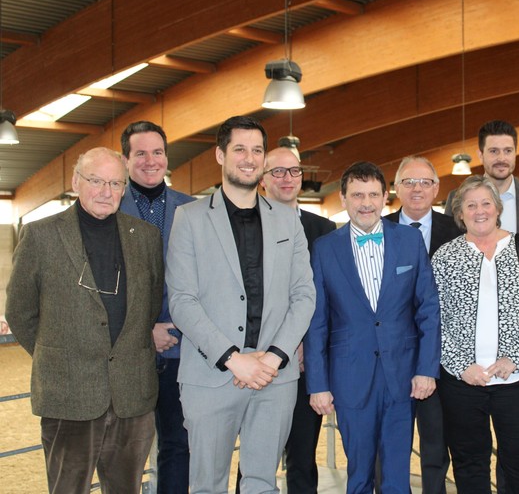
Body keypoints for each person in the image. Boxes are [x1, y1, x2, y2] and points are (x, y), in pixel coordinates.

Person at [166, 116, 316, 493]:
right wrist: (233, 358)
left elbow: (304, 295)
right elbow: (183, 300)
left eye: (256, 150)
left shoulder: (287, 220)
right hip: (211, 375)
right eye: (239, 149)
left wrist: (274, 357)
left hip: (274, 376)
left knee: (263, 482)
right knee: (207, 485)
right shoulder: (190, 218)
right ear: (220, 155)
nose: (249, 158)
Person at [6, 147, 163, 493]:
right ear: (76, 181)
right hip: (68, 394)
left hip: (131, 394)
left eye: (115, 183)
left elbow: (149, 305)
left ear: (125, 188)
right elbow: (19, 310)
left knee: (126, 488)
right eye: (96, 180)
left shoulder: (146, 237)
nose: (106, 191)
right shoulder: (40, 235)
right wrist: (59, 356)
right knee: (67, 487)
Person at [303, 161, 441, 494]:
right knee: (359, 475)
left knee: (397, 477)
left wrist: (427, 370)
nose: (366, 203)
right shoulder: (324, 249)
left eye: (373, 195)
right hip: (350, 377)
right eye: (357, 195)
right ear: (343, 198)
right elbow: (317, 322)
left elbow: (428, 309)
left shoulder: (409, 241)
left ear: (385, 198)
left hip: (402, 375)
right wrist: (317, 384)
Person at [432, 175, 519, 494]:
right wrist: (462, 364)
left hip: (515, 382)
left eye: (486, 203)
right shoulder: (445, 256)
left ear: (498, 208)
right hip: (462, 383)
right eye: (470, 205)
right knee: (469, 463)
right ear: (459, 213)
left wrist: (513, 358)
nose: (479, 211)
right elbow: (431, 317)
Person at [234, 146, 336, 494]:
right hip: (256, 362)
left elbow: (326, 297)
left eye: (293, 171)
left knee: (302, 456)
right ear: (262, 180)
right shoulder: (245, 224)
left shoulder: (323, 228)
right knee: (252, 456)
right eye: (277, 172)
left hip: (307, 363)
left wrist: (310, 347)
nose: (287, 179)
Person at [119, 120, 194, 494]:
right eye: (141, 153)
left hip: (180, 351)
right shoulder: (107, 207)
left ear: (167, 156)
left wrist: (174, 327)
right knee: (124, 451)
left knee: (178, 447)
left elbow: (207, 284)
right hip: (127, 354)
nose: (151, 161)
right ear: (125, 159)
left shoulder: (195, 209)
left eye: (158, 152)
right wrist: (145, 330)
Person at [384, 155, 461, 494]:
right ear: (396, 187)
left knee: (435, 448)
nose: (417, 189)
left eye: (424, 183)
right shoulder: (376, 230)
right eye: (409, 182)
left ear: (437, 189)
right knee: (386, 447)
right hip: (388, 357)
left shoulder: (458, 233)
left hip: (440, 360)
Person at [445, 119, 519, 235]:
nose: (501, 158)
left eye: (508, 151)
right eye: (494, 151)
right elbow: (446, 243)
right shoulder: (456, 198)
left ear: (515, 153)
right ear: (481, 155)